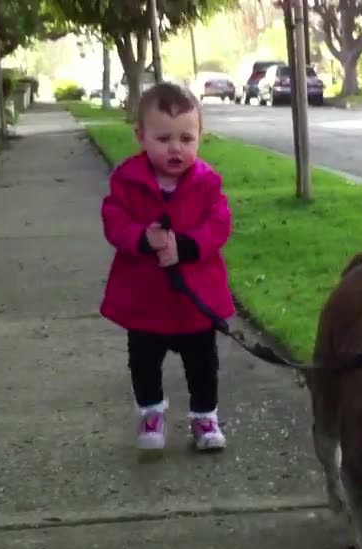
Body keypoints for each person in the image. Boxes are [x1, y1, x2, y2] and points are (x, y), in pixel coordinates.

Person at [99, 82, 235, 452]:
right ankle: (151, 411)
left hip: (194, 298)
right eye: (163, 138)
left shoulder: (207, 182)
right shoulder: (127, 180)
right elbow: (113, 219)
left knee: (203, 363)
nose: (176, 148)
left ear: (199, 138)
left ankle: (205, 415)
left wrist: (188, 246)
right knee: (143, 361)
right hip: (145, 300)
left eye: (186, 139)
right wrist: (142, 238)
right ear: (141, 136)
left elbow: (219, 223)